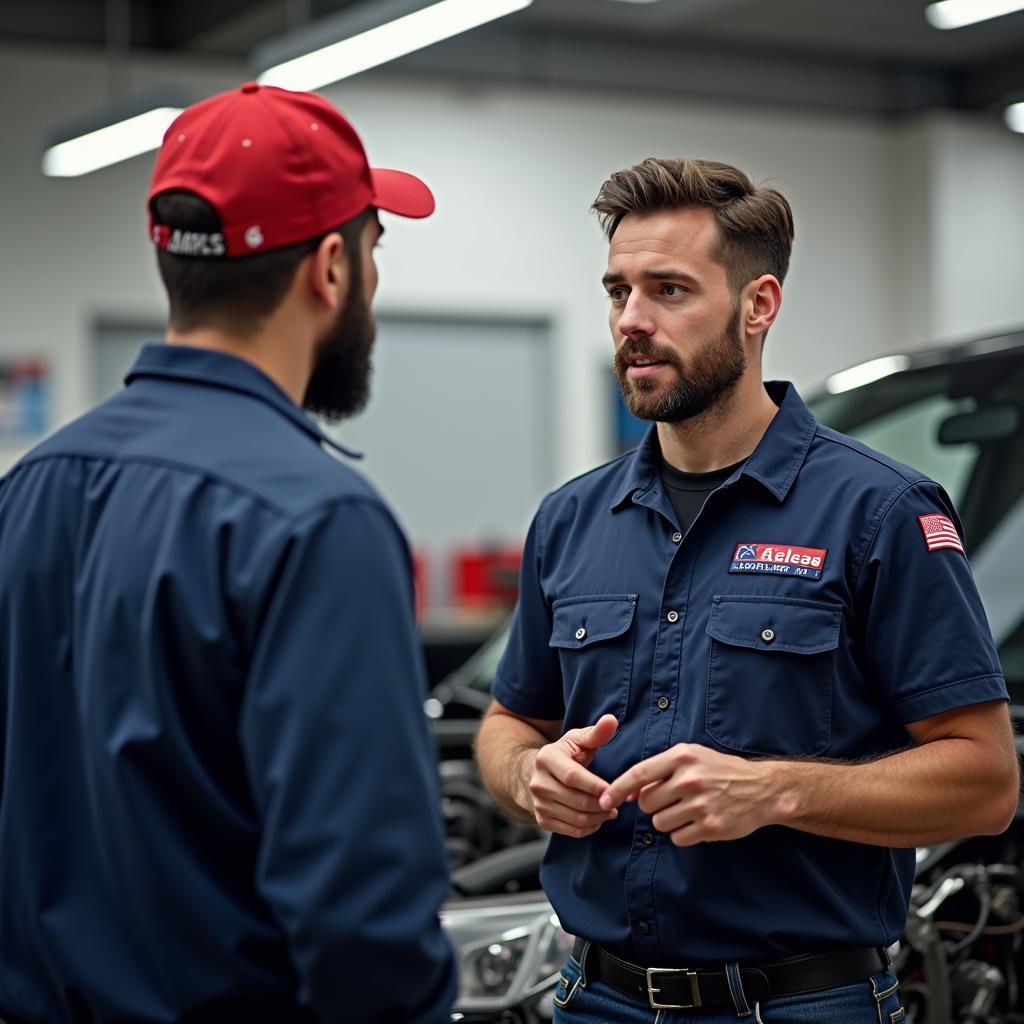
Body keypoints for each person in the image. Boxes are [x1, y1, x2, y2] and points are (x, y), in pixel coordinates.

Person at [475, 157, 1019, 1023]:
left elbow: (987, 784)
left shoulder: (880, 514)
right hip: (593, 999)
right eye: (618, 291)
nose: (633, 321)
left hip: (799, 1003)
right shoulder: (571, 519)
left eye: (670, 291)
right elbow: (509, 724)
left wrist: (775, 790)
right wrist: (527, 778)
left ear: (758, 304)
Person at [0, 83, 456, 1024]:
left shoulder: (28, 490)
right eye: (374, 250)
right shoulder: (315, 520)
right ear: (332, 268)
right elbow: (361, 921)